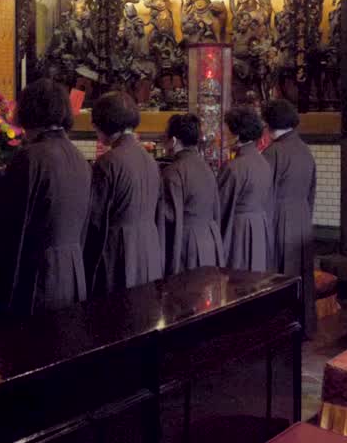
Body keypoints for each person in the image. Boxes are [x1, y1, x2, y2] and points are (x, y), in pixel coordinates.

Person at [0, 79, 91, 324]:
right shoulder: (78, 156)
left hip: (36, 273)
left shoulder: (31, 158)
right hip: (71, 270)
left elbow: (8, 227)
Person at [84, 91, 163, 295]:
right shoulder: (149, 159)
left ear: (105, 124)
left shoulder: (108, 162)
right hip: (148, 245)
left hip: (118, 248)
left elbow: (95, 218)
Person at [262, 99, 318, 333]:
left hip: (280, 216)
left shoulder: (273, 152)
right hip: (302, 216)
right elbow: (312, 190)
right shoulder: (304, 149)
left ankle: (282, 326)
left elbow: (264, 192)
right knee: (302, 272)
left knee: (280, 272)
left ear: (269, 124)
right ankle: (304, 324)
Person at [157, 113, 223, 275]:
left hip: (187, 245)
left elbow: (168, 217)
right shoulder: (205, 167)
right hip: (210, 241)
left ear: (173, 141)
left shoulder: (173, 172)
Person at [216, 106, 274, 272]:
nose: (223, 134)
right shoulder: (263, 161)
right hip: (259, 225)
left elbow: (220, 205)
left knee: (238, 277)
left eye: (226, 130)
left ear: (237, 134)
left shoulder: (234, 167)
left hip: (239, 228)